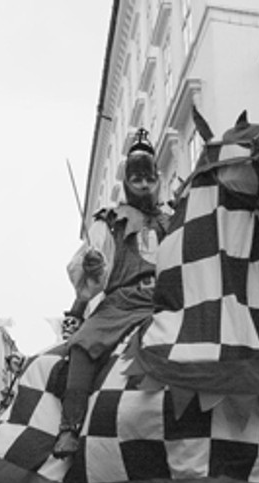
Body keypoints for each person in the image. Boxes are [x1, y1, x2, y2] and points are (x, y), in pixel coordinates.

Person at [53, 128, 171, 459]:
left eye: (149, 179)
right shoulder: (109, 221)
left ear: (158, 180)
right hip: (121, 304)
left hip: (167, 301)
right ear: (126, 182)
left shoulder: (171, 221)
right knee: (83, 345)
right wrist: (91, 265)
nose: (144, 185)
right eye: (137, 179)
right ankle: (70, 426)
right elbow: (86, 270)